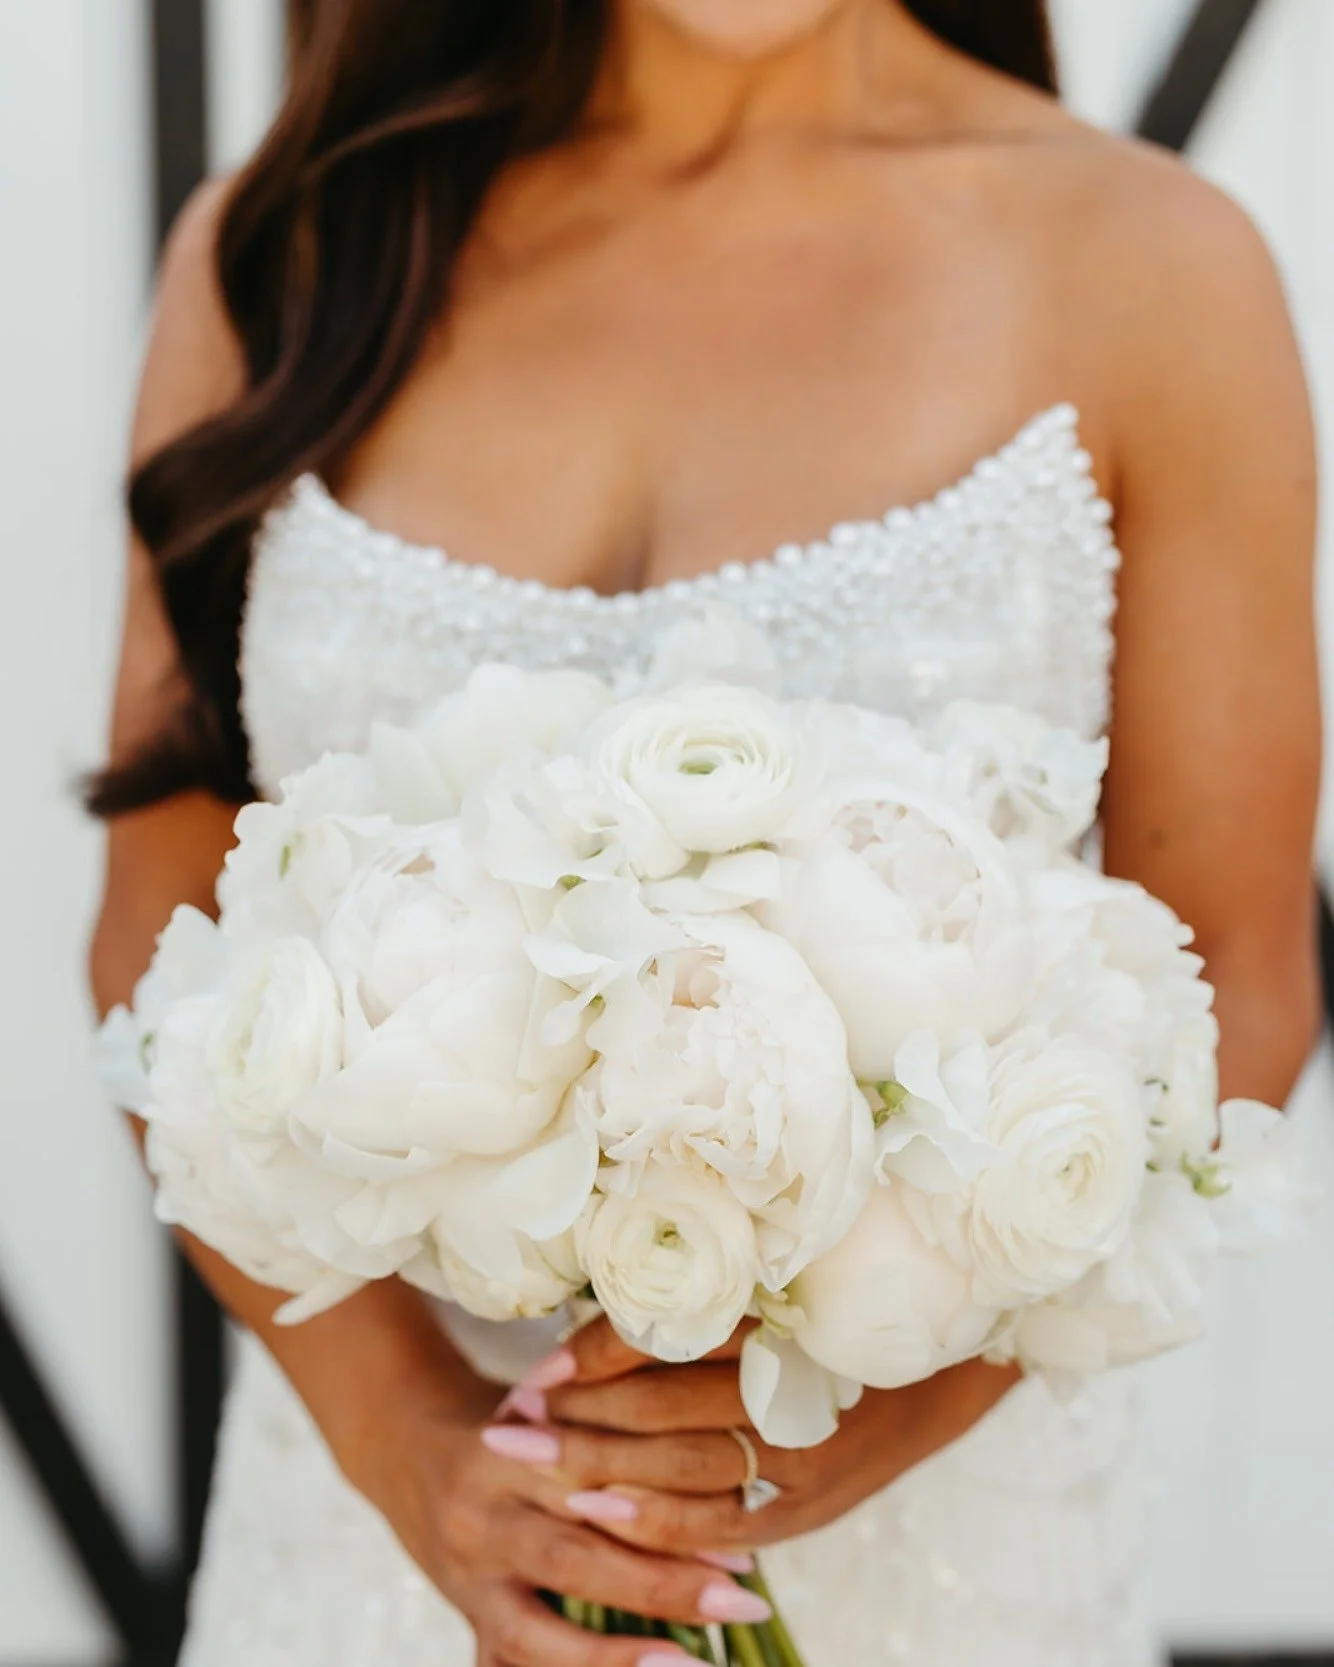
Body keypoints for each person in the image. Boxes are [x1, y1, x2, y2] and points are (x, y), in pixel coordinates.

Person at [88, 2, 1322, 1663]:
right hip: (367, 1561)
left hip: (937, 1558)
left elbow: (1232, 967)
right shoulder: (286, 250)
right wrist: (410, 1445)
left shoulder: (1151, 263)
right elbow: (157, 934)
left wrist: (861, 1423)